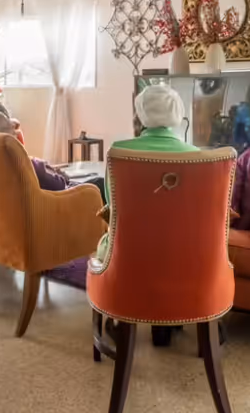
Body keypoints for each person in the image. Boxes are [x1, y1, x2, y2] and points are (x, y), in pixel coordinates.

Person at [95, 84, 197, 348]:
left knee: (112, 242)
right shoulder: (199, 158)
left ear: (140, 114)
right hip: (186, 254)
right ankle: (170, 317)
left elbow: (112, 207)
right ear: (178, 115)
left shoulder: (119, 152)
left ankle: (121, 314)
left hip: (130, 254)